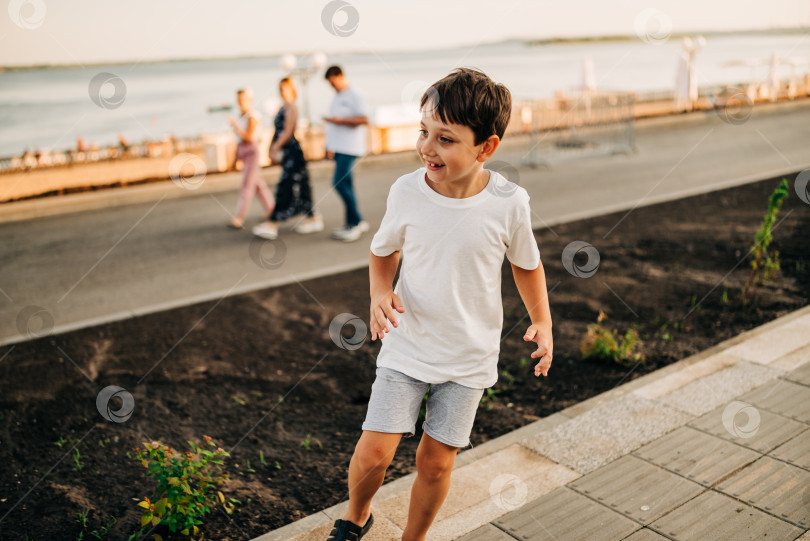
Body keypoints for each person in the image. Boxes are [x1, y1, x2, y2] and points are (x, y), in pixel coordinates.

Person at [327, 68, 554, 541]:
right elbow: (382, 250)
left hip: (468, 357)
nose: (427, 147)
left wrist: (542, 322)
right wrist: (379, 293)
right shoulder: (406, 191)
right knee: (374, 453)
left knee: (434, 462)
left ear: (486, 148)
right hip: (408, 345)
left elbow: (527, 265)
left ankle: (414, 537)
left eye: (446, 139)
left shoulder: (509, 202)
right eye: (423, 132)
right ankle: (355, 517)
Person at [252, 78, 323, 240]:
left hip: (292, 152)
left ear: (292, 89)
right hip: (287, 152)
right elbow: (276, 131)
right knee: (301, 185)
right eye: (281, 88)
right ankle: (313, 218)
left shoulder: (292, 107)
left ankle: (273, 223)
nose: (283, 91)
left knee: (286, 186)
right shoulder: (283, 107)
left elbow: (288, 132)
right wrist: (272, 147)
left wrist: (275, 147)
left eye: (286, 88)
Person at [323, 65, 370, 242]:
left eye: (333, 82)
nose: (332, 86)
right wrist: (328, 146)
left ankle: (355, 222)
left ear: (341, 76)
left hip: (351, 148)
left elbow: (365, 118)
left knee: (339, 183)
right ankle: (354, 221)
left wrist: (341, 120)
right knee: (346, 185)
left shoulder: (356, 95)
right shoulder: (337, 97)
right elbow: (332, 124)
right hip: (339, 147)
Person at [227, 88, 274, 229]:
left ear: (250, 101)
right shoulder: (241, 115)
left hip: (252, 152)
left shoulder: (253, 116)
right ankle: (272, 210)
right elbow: (239, 141)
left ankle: (240, 217)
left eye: (243, 99)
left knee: (247, 185)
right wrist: (235, 159)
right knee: (258, 185)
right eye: (239, 100)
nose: (240, 103)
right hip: (243, 151)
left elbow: (248, 137)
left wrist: (235, 127)